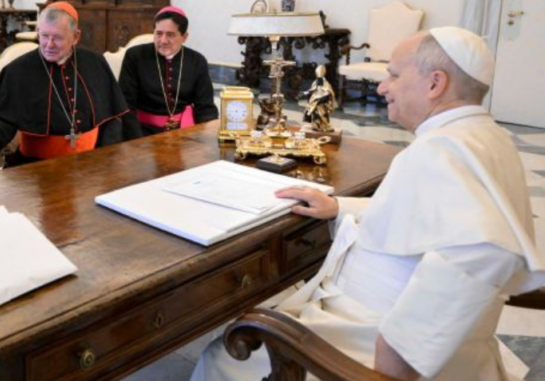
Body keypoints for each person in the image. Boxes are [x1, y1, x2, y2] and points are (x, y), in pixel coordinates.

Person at [191, 27, 545, 381]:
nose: (382, 87)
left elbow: (483, 250)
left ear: (435, 83)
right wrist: (339, 208)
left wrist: (394, 360)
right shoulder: (486, 137)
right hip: (447, 345)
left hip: (362, 339)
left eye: (394, 75)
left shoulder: (440, 150)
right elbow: (426, 218)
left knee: (223, 356)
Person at [0, 2, 136, 165]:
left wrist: (105, 157)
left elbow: (112, 117)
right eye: (44, 36)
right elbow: (3, 121)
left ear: (75, 37)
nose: (49, 45)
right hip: (36, 167)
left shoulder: (95, 63)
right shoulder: (17, 71)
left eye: (57, 38)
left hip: (92, 163)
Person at [118, 6, 218, 135]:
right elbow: (126, 104)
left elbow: (205, 107)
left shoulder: (197, 61)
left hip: (184, 132)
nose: (163, 41)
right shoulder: (135, 56)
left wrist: (208, 136)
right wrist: (136, 138)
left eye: (170, 35)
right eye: (158, 33)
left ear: (184, 37)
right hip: (142, 131)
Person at [301, 64, 337, 132]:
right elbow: (312, 89)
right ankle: (315, 126)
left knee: (321, 114)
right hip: (315, 101)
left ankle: (324, 126)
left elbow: (329, 92)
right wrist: (305, 93)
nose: (318, 79)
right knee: (314, 114)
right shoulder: (315, 82)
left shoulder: (326, 83)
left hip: (322, 102)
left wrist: (323, 98)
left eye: (320, 78)